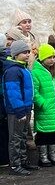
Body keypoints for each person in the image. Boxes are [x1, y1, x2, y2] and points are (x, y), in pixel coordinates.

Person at [31, 43, 55, 166]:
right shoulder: (36, 72)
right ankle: (43, 156)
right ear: (42, 58)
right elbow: (35, 91)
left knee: (54, 133)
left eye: (53, 57)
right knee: (43, 134)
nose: (52, 60)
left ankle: (53, 154)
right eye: (49, 57)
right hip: (45, 108)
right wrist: (42, 103)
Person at [2, 40, 34, 175]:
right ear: (16, 54)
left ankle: (23, 162)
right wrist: (20, 110)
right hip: (17, 111)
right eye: (24, 52)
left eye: (28, 52)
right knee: (15, 138)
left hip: (25, 109)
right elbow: (13, 93)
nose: (27, 54)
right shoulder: (13, 71)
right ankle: (15, 165)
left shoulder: (22, 68)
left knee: (22, 137)